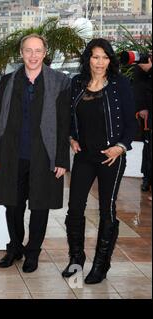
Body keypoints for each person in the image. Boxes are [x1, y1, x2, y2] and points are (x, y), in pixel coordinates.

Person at [0, 34, 70, 273]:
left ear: (45, 53)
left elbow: (65, 123)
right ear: (21, 53)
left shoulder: (60, 82)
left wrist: (62, 159)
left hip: (45, 155)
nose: (33, 56)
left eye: (38, 51)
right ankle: (14, 248)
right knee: (12, 205)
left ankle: (33, 252)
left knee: (40, 206)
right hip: (12, 153)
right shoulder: (8, 81)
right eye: (28, 50)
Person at [62, 38, 137, 284]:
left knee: (108, 210)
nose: (100, 62)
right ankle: (76, 258)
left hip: (110, 158)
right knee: (74, 209)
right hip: (84, 156)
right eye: (95, 57)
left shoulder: (120, 84)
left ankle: (101, 265)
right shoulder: (77, 83)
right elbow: (70, 117)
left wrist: (120, 147)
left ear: (110, 60)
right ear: (88, 59)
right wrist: (72, 137)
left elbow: (131, 123)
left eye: (104, 57)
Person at [133, 56, 152, 199]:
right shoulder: (143, 63)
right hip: (149, 115)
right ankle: (147, 178)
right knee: (149, 148)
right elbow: (139, 86)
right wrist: (142, 107)